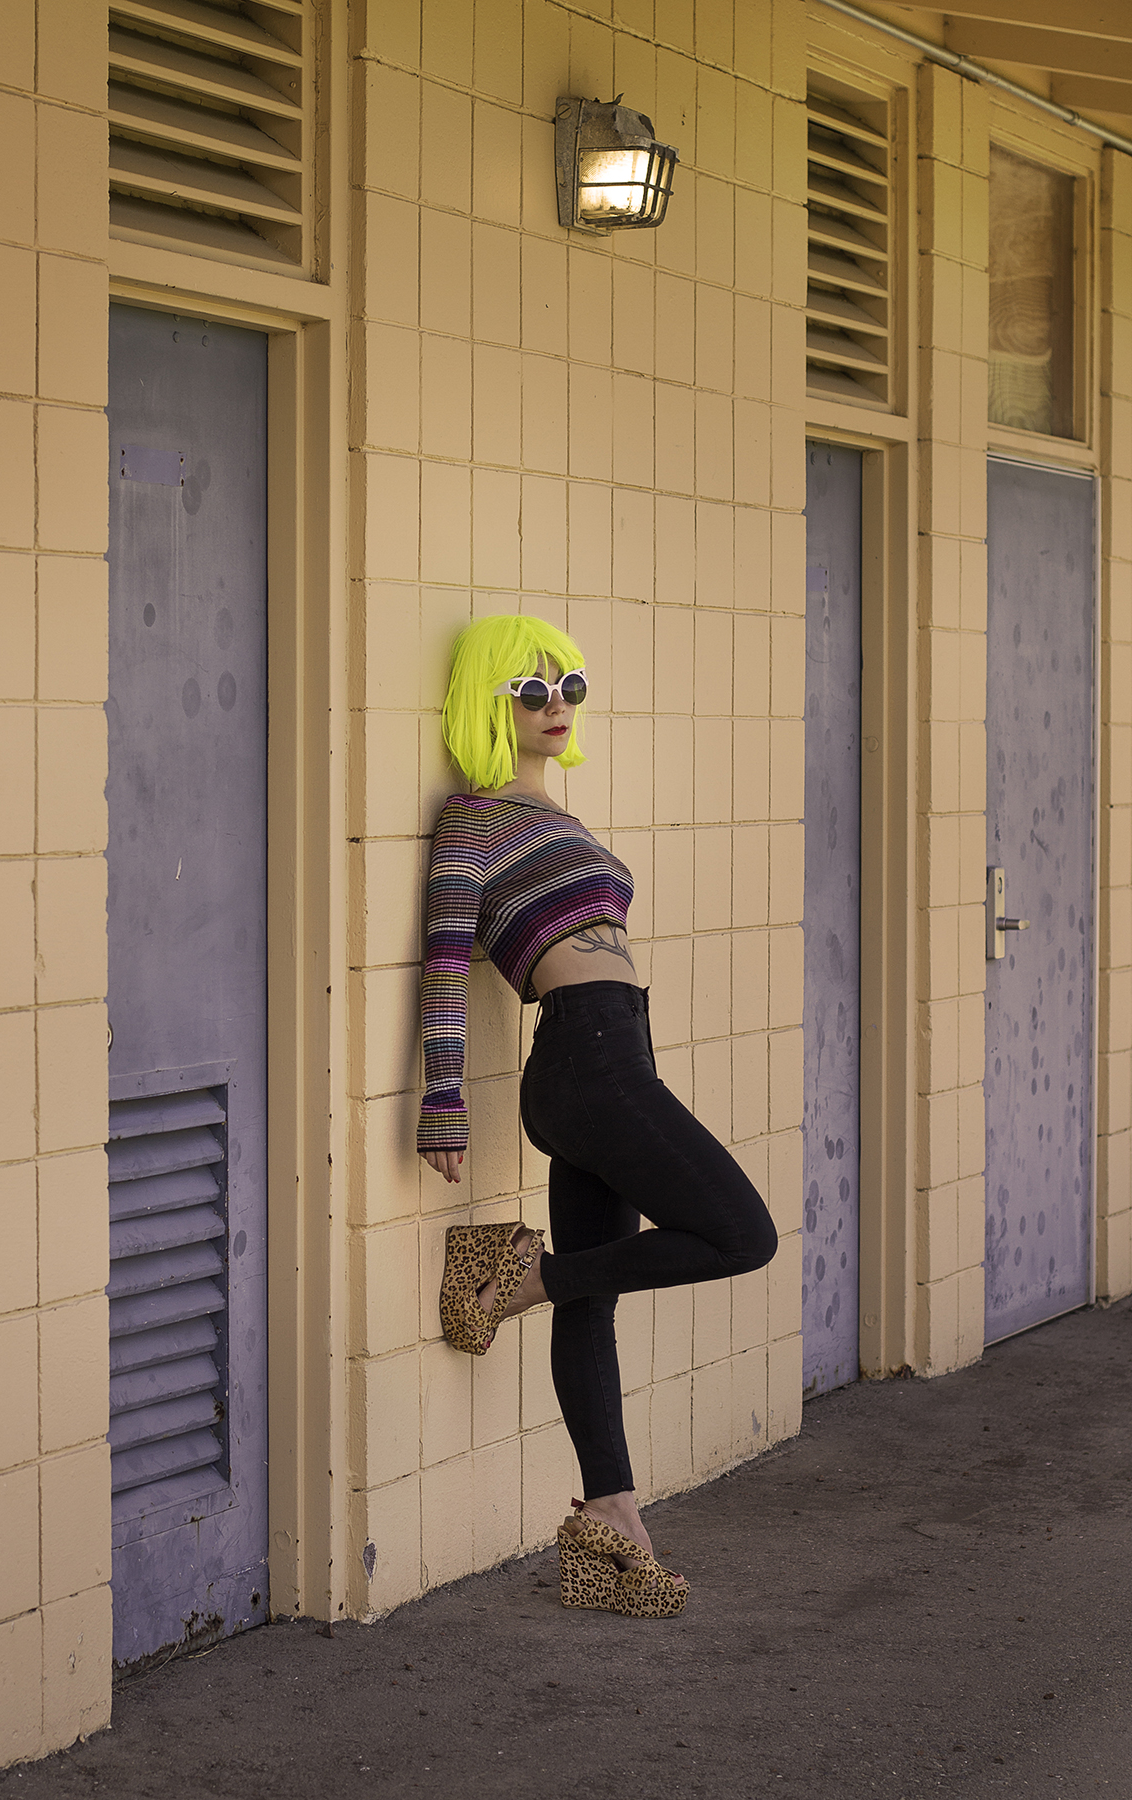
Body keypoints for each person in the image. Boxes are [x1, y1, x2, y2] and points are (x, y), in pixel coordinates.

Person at [418, 613, 778, 1617]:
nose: (557, 706)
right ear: (488, 704)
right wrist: (442, 1098)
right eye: (532, 691)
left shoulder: (560, 816)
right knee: (743, 1234)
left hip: (616, 1053)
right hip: (588, 1062)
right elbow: (445, 959)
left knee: (593, 1299)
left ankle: (610, 1518)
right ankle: (519, 1280)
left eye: (569, 686)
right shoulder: (473, 819)